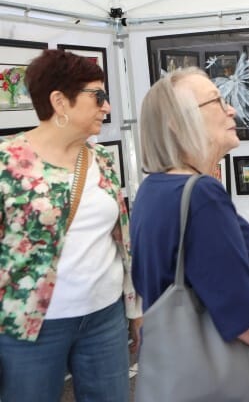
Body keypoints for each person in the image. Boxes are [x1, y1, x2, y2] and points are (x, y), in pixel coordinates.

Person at [131, 67, 249, 399]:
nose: (231, 109)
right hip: (217, 376)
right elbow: (237, 307)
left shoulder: (153, 189)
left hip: (179, 372)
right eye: (216, 101)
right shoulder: (200, 194)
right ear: (176, 123)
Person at [0, 49, 142, 401]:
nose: (107, 106)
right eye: (98, 96)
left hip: (105, 317)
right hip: (30, 324)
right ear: (60, 101)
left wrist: (134, 307)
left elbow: (120, 237)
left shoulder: (102, 159)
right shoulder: (7, 163)